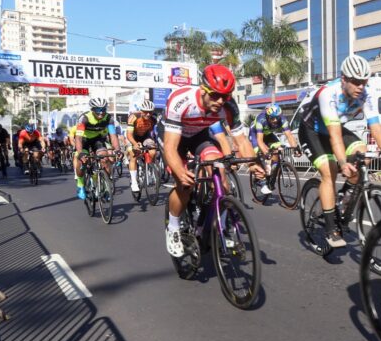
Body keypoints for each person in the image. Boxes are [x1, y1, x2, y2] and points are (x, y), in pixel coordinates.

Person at [162, 65, 264, 257]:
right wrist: (180, 172)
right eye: (215, 95)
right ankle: (173, 228)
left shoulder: (228, 107)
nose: (220, 101)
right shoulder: (181, 100)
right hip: (175, 137)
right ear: (203, 89)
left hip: (199, 135)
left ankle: (217, 226)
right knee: (185, 186)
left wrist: (253, 164)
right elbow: (170, 148)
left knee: (220, 173)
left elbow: (241, 140)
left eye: (225, 96)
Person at [296, 55, 381, 248]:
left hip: (335, 129)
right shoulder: (328, 94)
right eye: (356, 82)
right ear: (344, 79)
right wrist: (342, 162)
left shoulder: (366, 94)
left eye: (364, 82)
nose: (361, 86)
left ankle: (343, 197)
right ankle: (330, 228)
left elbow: (375, 126)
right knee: (330, 171)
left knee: (362, 154)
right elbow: (335, 136)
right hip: (311, 131)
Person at [74, 98, 123, 200]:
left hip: (97, 140)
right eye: (98, 110)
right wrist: (80, 153)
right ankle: (80, 184)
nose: (101, 112)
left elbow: (113, 136)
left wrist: (117, 150)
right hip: (84, 140)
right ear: (92, 109)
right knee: (81, 161)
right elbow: (78, 138)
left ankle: (106, 186)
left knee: (105, 158)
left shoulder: (108, 118)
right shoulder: (84, 118)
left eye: (103, 109)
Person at [250, 104, 299, 195]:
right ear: (267, 116)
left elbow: (289, 135)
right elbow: (260, 141)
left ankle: (271, 174)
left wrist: (295, 148)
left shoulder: (283, 120)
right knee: (261, 154)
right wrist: (266, 152)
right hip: (256, 135)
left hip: (268, 135)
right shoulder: (261, 120)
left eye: (277, 117)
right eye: (272, 118)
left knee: (277, 150)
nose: (275, 120)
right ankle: (260, 179)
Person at [125, 99, 160, 195]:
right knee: (133, 154)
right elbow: (129, 135)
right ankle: (134, 182)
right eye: (145, 112)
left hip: (145, 136)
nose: (148, 114)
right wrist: (135, 144)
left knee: (153, 151)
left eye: (150, 112)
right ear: (141, 111)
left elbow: (155, 133)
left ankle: (149, 167)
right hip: (133, 136)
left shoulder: (154, 118)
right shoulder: (133, 117)